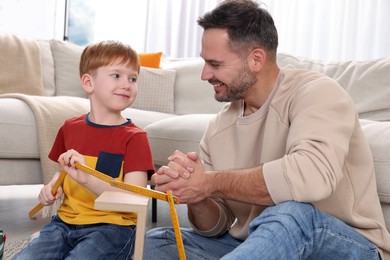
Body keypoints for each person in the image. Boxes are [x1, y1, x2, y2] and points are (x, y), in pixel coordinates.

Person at [144, 0, 390, 259]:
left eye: (215, 64)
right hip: (260, 244)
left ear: (256, 59)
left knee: (290, 213)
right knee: (158, 242)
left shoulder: (317, 93)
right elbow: (215, 226)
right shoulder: (219, 128)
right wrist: (196, 195)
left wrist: (210, 182)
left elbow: (311, 179)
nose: (205, 75)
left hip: (344, 244)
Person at [14, 40, 155, 259]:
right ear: (88, 83)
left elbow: (135, 200)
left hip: (112, 228)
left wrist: (88, 179)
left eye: (133, 78)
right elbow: (62, 175)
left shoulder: (136, 138)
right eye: (116, 75)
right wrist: (50, 189)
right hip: (64, 223)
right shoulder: (70, 128)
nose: (127, 84)